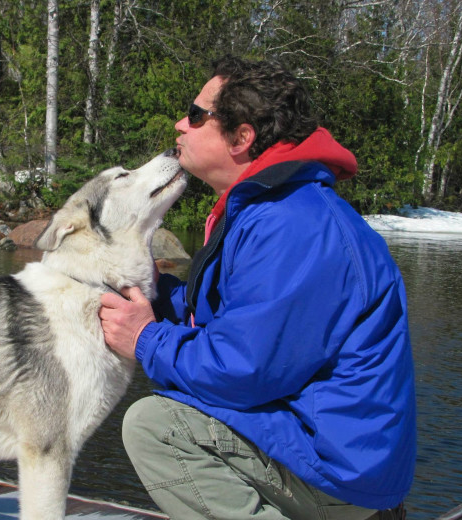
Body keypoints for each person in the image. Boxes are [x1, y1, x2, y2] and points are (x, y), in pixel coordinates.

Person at [99, 56, 416, 520]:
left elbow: (243, 371)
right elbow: (227, 325)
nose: (179, 124)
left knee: (157, 427)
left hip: (339, 474)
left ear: (242, 137)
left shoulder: (293, 224)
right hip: (331, 453)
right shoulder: (269, 209)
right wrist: (149, 294)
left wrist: (145, 338)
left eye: (195, 114)